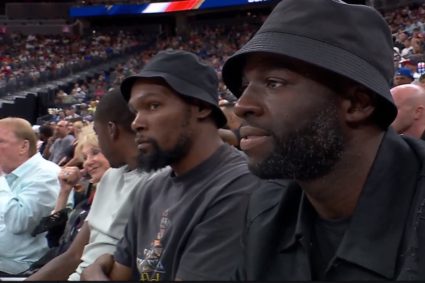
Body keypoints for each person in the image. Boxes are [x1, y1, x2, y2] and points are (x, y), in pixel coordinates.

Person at [221, 0, 425, 280]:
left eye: (273, 82)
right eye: (245, 86)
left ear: (356, 103)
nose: (242, 105)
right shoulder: (266, 211)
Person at [81, 50, 269, 281]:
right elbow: (121, 273)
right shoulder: (152, 187)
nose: (137, 123)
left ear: (201, 107)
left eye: (153, 106)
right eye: (135, 111)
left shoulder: (238, 187)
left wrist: (93, 276)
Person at [26, 89, 151, 281]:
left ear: (111, 130)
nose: (87, 162)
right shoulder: (111, 177)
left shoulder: (156, 184)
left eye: (97, 142)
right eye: (85, 156)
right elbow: (73, 254)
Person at [0, 117, 60, 275]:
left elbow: (18, 222)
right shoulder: (10, 175)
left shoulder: (47, 175)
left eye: (0, 141)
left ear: (23, 146)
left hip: (18, 268)